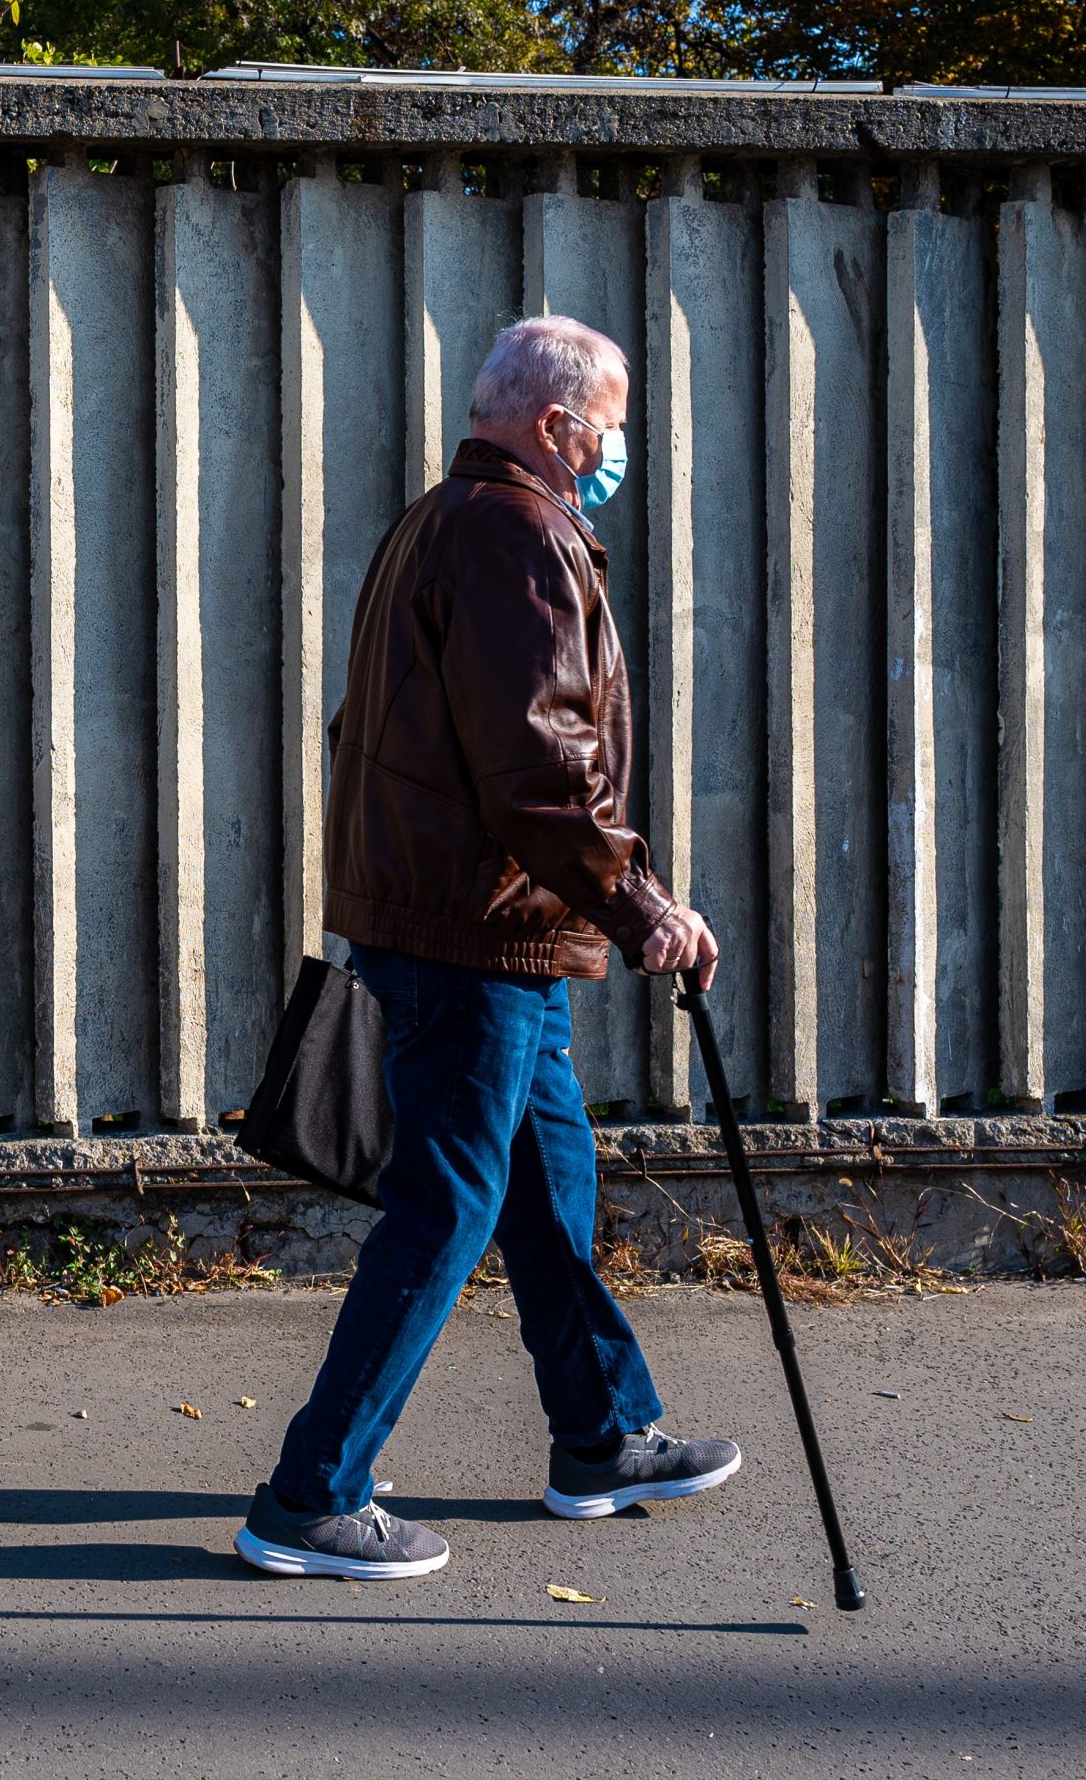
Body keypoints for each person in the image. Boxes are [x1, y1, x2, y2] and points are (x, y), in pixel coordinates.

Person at [236, 313, 733, 1581]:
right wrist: (645, 910)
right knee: (445, 1205)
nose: (617, 446)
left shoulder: (433, 519)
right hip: (479, 934)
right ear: (557, 425)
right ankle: (310, 1495)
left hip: (480, 924)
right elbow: (542, 765)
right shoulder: (517, 533)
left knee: (546, 1187)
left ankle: (602, 1433)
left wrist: (623, 894)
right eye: (609, 424)